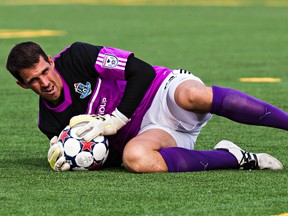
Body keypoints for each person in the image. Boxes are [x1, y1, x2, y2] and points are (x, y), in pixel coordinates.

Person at [6, 41, 286, 173]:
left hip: (162, 93)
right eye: (34, 80)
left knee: (194, 96)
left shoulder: (78, 56)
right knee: (136, 159)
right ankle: (237, 158)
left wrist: (116, 118)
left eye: (45, 71)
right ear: (23, 85)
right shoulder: (50, 125)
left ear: (51, 61)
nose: (45, 82)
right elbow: (108, 159)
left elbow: (142, 72)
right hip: (150, 133)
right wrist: (78, 156)